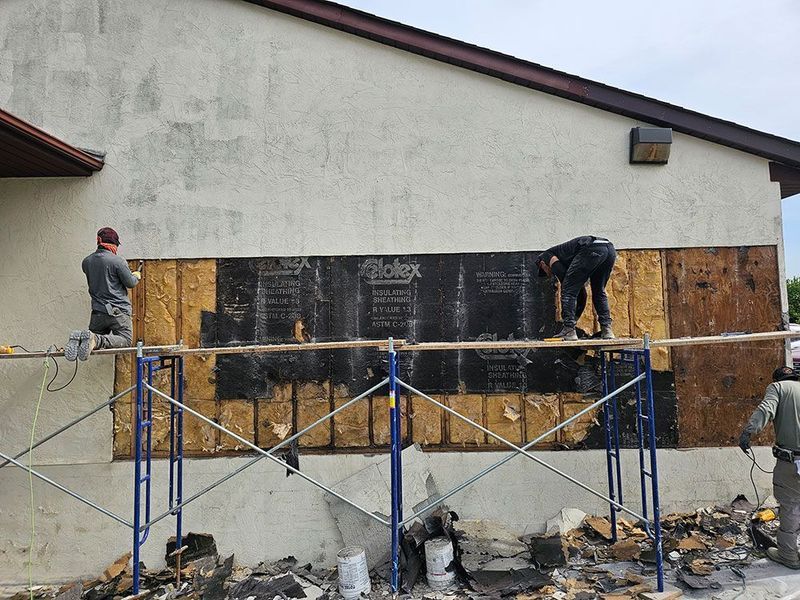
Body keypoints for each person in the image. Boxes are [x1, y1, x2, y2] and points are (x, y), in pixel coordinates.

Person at [739, 365, 800, 569]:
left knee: (790, 507)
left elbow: (766, 409)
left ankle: (789, 556)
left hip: (792, 462)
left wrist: (748, 432)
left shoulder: (778, 388)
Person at [65, 228, 141, 361]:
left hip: (98, 313)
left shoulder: (86, 262)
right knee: (125, 339)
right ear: (114, 244)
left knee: (89, 341)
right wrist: (136, 276)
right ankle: (96, 339)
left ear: (98, 241)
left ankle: (80, 341)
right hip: (118, 312)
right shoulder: (118, 261)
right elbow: (130, 283)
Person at [535, 236, 616, 341]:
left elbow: (570, 289)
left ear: (542, 264)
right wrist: (575, 317)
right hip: (609, 249)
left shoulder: (547, 256)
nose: (548, 275)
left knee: (568, 291)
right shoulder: (564, 255)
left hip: (591, 248)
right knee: (599, 291)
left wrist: (570, 321)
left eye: (544, 271)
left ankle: (569, 331)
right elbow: (581, 293)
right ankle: (607, 330)